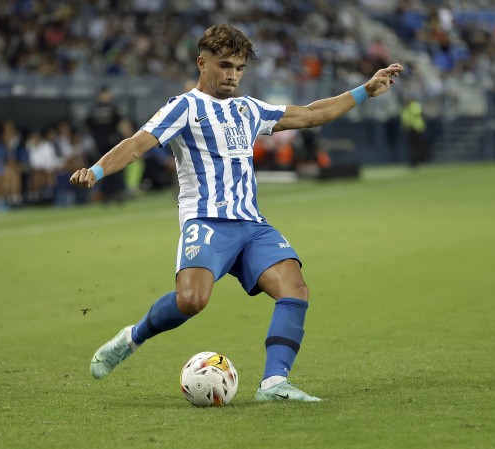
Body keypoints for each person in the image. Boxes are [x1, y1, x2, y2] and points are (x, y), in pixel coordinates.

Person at [70, 24, 404, 402]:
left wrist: (364, 91)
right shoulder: (184, 107)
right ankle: (131, 338)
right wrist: (96, 171)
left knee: (295, 289)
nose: (232, 75)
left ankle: (274, 384)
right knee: (191, 300)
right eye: (225, 65)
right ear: (202, 63)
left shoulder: (249, 109)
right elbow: (136, 144)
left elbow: (312, 114)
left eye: (239, 68)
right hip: (206, 221)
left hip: (251, 225)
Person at [86, 86, 135, 203]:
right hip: (113, 143)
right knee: (117, 168)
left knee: (102, 169)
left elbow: (87, 127)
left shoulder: (92, 110)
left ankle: (106, 195)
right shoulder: (112, 108)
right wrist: (132, 140)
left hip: (99, 145)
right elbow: (123, 125)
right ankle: (118, 194)